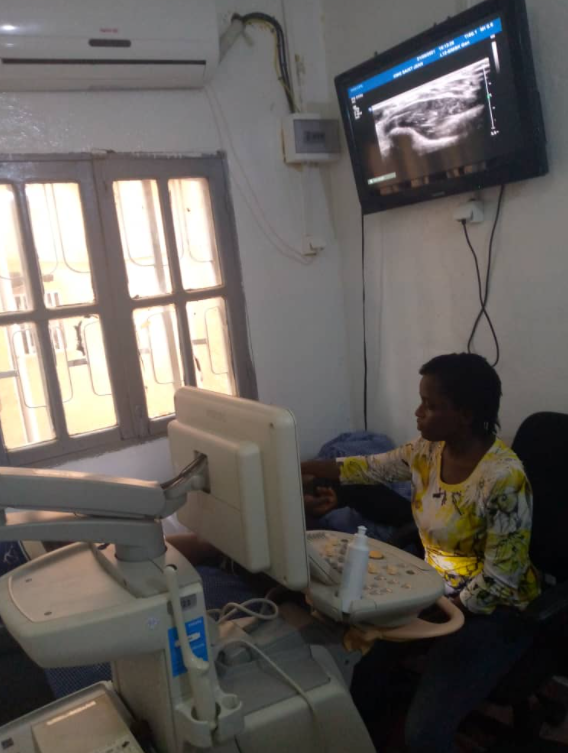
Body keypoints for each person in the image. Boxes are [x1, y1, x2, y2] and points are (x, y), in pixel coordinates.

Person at [302, 352, 540, 753]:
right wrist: (299, 466)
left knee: (424, 734)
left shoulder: (504, 479)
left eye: (430, 405)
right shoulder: (428, 451)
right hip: (436, 593)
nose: (417, 412)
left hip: (497, 614)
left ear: (465, 414)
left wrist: (434, 610)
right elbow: (368, 467)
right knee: (361, 677)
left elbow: (501, 580)